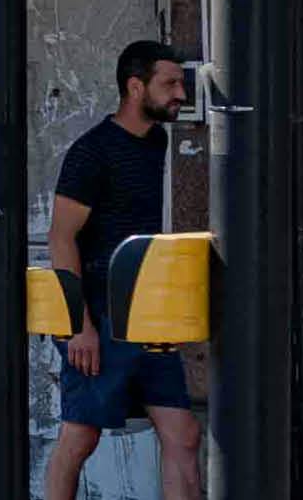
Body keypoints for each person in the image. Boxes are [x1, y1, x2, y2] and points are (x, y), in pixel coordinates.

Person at [44, 41, 201, 500]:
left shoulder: (156, 140)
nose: (181, 93)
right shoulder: (92, 153)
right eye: (169, 83)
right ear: (136, 88)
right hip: (98, 314)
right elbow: (60, 238)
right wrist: (79, 327)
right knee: (81, 436)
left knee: (183, 434)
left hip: (147, 315)